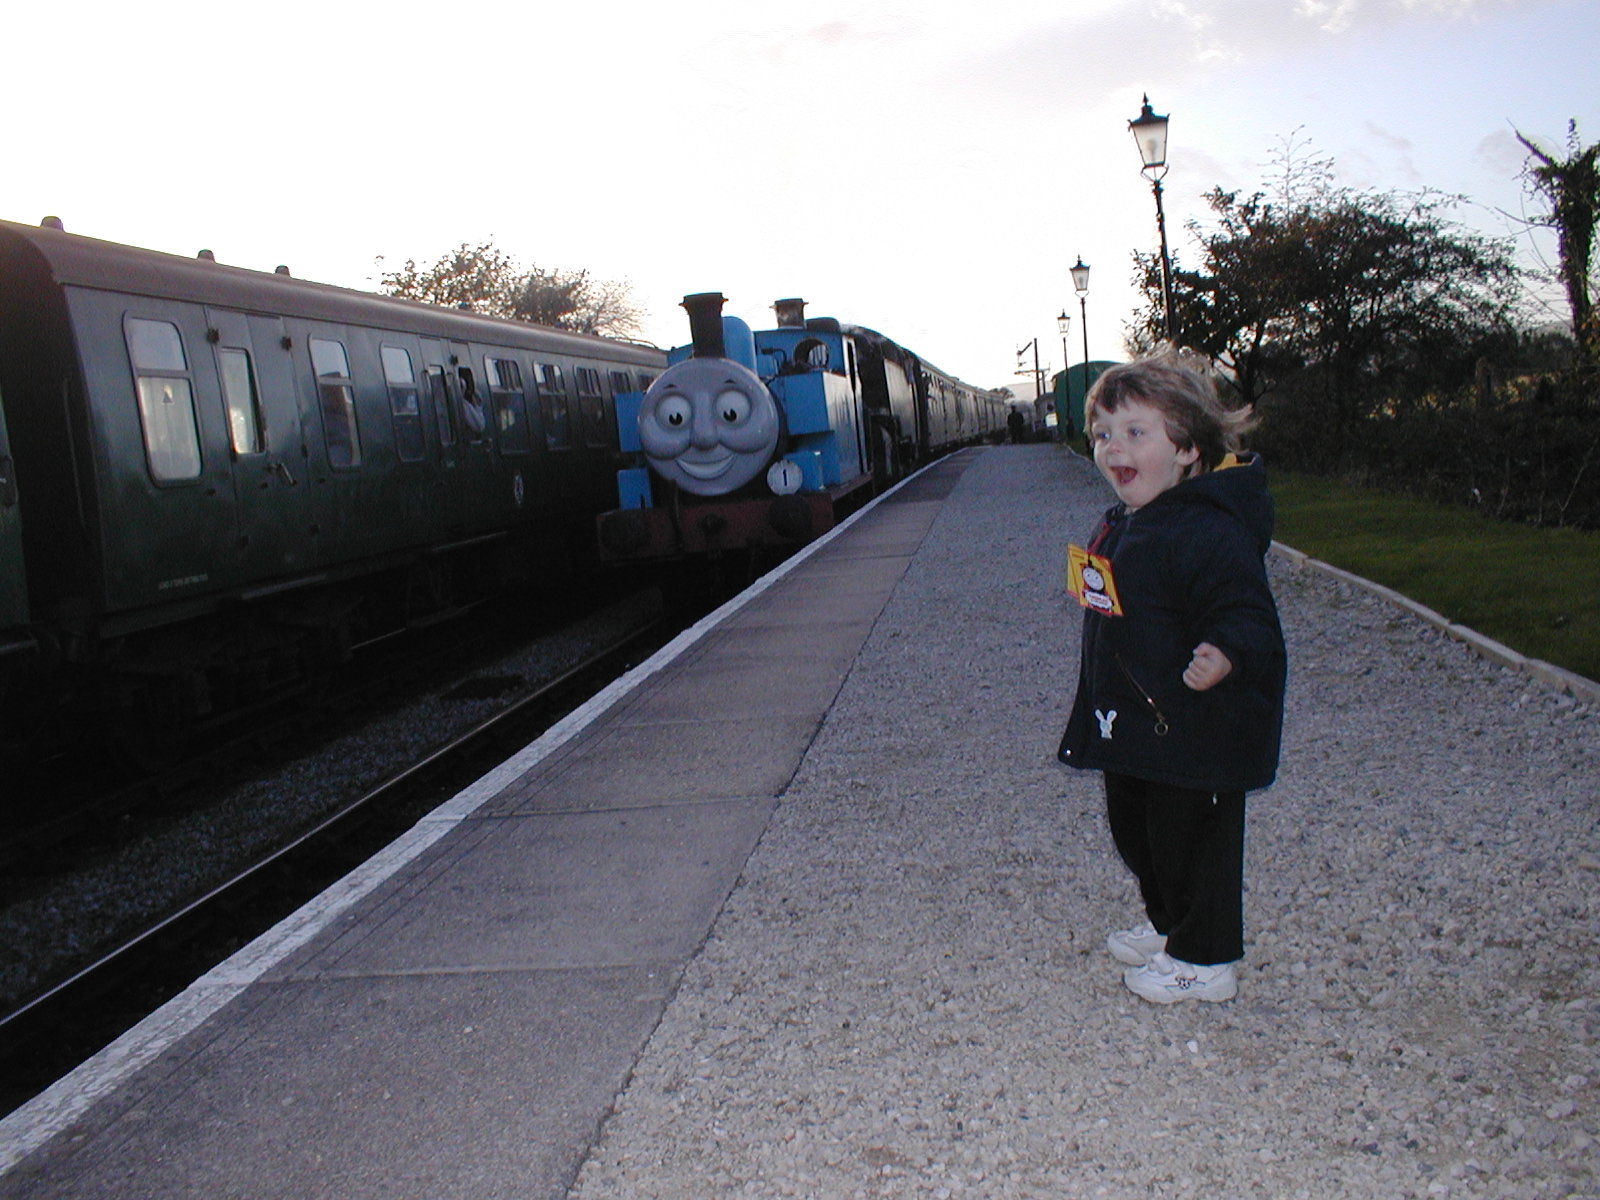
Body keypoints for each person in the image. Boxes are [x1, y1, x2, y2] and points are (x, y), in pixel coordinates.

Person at [1057, 348, 1286, 1004]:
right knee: (1142, 836)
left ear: (1187, 448)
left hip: (1196, 726)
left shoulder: (1209, 530)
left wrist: (1225, 652)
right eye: (1103, 434)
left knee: (1194, 845)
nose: (1113, 447)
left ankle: (1204, 961)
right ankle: (1170, 927)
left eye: (1136, 432)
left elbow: (1246, 613)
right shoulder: (1127, 523)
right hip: (1138, 721)